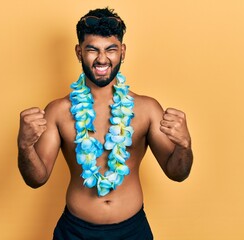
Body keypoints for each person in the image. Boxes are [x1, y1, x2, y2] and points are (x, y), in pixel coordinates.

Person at [18, 7, 193, 240]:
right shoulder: (58, 111)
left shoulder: (146, 109)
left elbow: (177, 173)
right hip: (75, 232)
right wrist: (24, 147)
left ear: (122, 51)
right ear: (79, 52)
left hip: (132, 232)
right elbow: (36, 179)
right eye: (93, 49)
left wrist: (184, 145)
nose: (102, 59)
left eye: (111, 49)